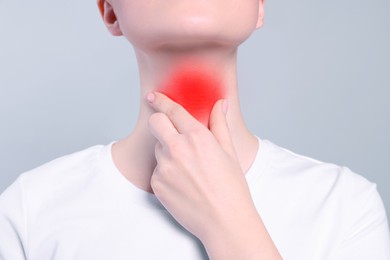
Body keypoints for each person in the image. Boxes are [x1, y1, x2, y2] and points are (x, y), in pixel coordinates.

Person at [0, 0, 389, 259]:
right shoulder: (29, 211)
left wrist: (229, 224)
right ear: (110, 12)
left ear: (258, 7)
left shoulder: (345, 207)